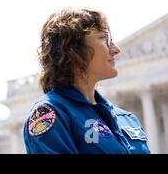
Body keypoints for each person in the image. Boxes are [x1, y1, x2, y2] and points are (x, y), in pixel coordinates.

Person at [23, 8, 150, 154]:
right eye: (104, 38)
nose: (116, 49)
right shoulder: (51, 114)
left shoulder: (127, 120)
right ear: (73, 49)